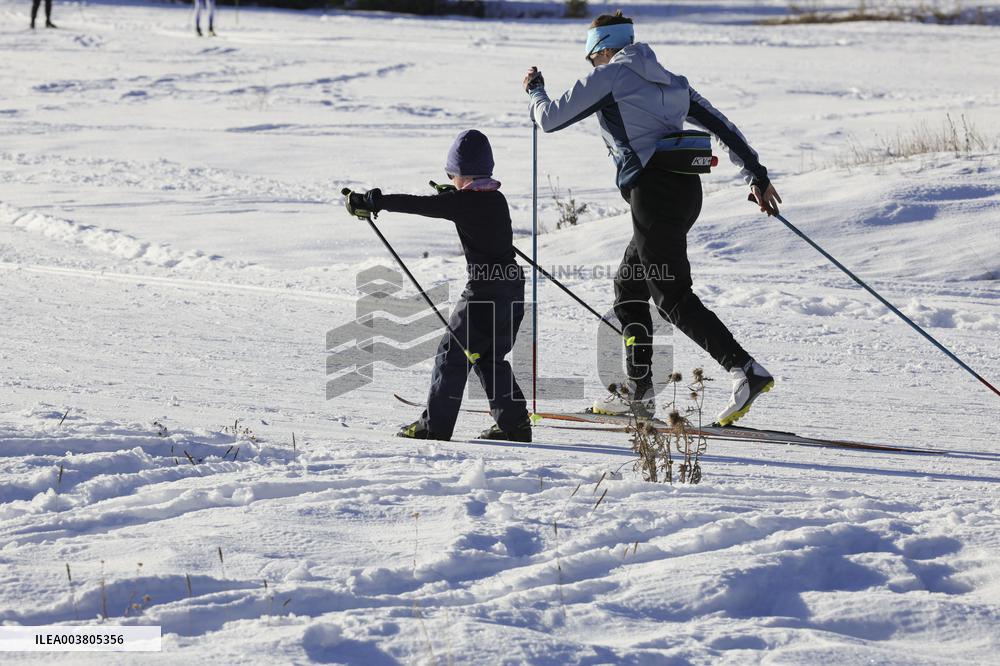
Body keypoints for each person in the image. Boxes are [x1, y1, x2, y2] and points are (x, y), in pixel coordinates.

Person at [524, 11, 781, 426]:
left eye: (591, 59)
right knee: (629, 285)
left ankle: (744, 370)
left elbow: (550, 118)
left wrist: (535, 91)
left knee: (672, 295)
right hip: (684, 193)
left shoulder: (609, 76)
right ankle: (639, 395)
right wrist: (756, 175)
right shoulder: (672, 80)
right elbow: (722, 126)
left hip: (653, 195)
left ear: (602, 50)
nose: (591, 66)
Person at [343, 130, 532, 442]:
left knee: (453, 355)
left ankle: (435, 427)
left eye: (451, 174)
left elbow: (420, 205)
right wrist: (452, 196)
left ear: (459, 174)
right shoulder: (496, 199)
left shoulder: (461, 203)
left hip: (484, 292)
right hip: (512, 286)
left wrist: (375, 201)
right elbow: (466, 206)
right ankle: (515, 425)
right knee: (489, 357)